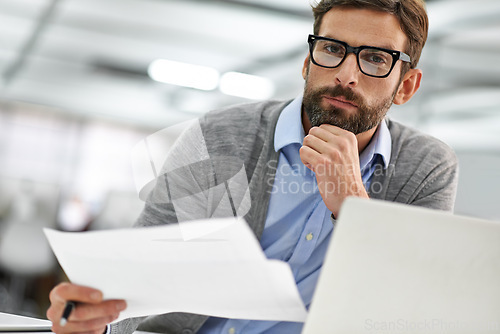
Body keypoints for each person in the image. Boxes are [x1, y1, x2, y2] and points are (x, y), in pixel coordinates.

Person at [46, 0, 459, 333]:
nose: (346, 75)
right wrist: (96, 324)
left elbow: (410, 309)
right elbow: (140, 276)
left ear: (405, 86)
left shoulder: (426, 167)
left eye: (374, 58)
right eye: (332, 49)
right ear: (306, 63)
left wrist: (353, 205)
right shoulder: (219, 134)